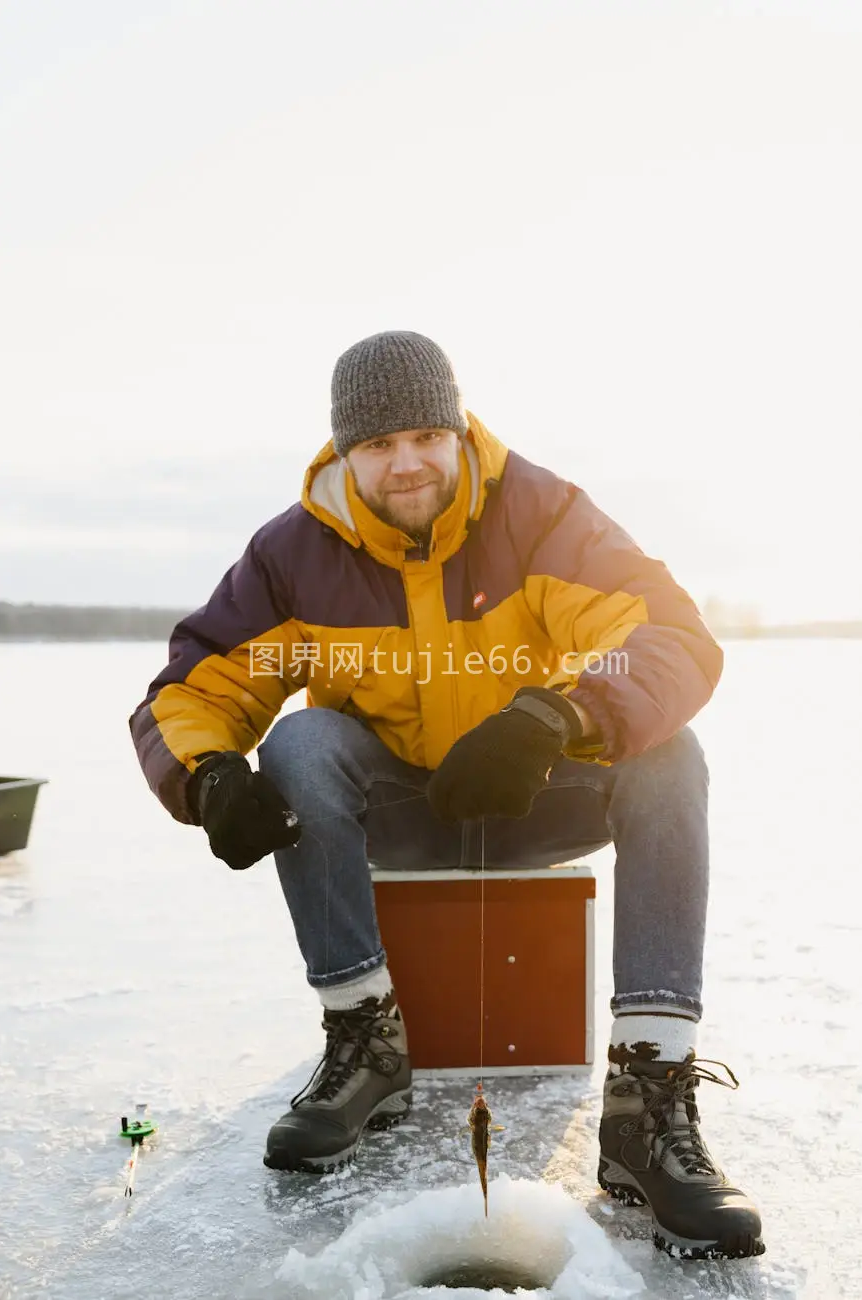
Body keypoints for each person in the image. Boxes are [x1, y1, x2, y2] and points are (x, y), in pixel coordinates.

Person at [129, 330, 764, 1261]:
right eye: (378, 445)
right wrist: (207, 773)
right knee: (301, 738)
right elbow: (194, 689)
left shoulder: (543, 515)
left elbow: (667, 635)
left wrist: (557, 717)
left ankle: (646, 1098)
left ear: (458, 430)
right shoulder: (293, 555)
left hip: (532, 795)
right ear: (346, 454)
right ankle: (363, 1042)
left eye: (424, 435)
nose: (406, 462)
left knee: (670, 751)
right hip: (389, 812)